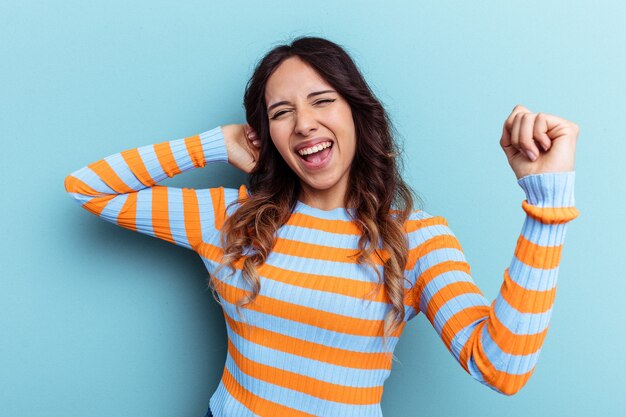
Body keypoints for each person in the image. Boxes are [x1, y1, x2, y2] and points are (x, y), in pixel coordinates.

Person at [64, 36, 580, 417]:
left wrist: (546, 204)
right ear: (265, 134)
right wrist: (214, 144)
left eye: (322, 100)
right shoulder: (228, 218)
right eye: (281, 112)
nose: (304, 123)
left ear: (356, 113)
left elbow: (503, 368)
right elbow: (87, 189)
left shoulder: (415, 238)